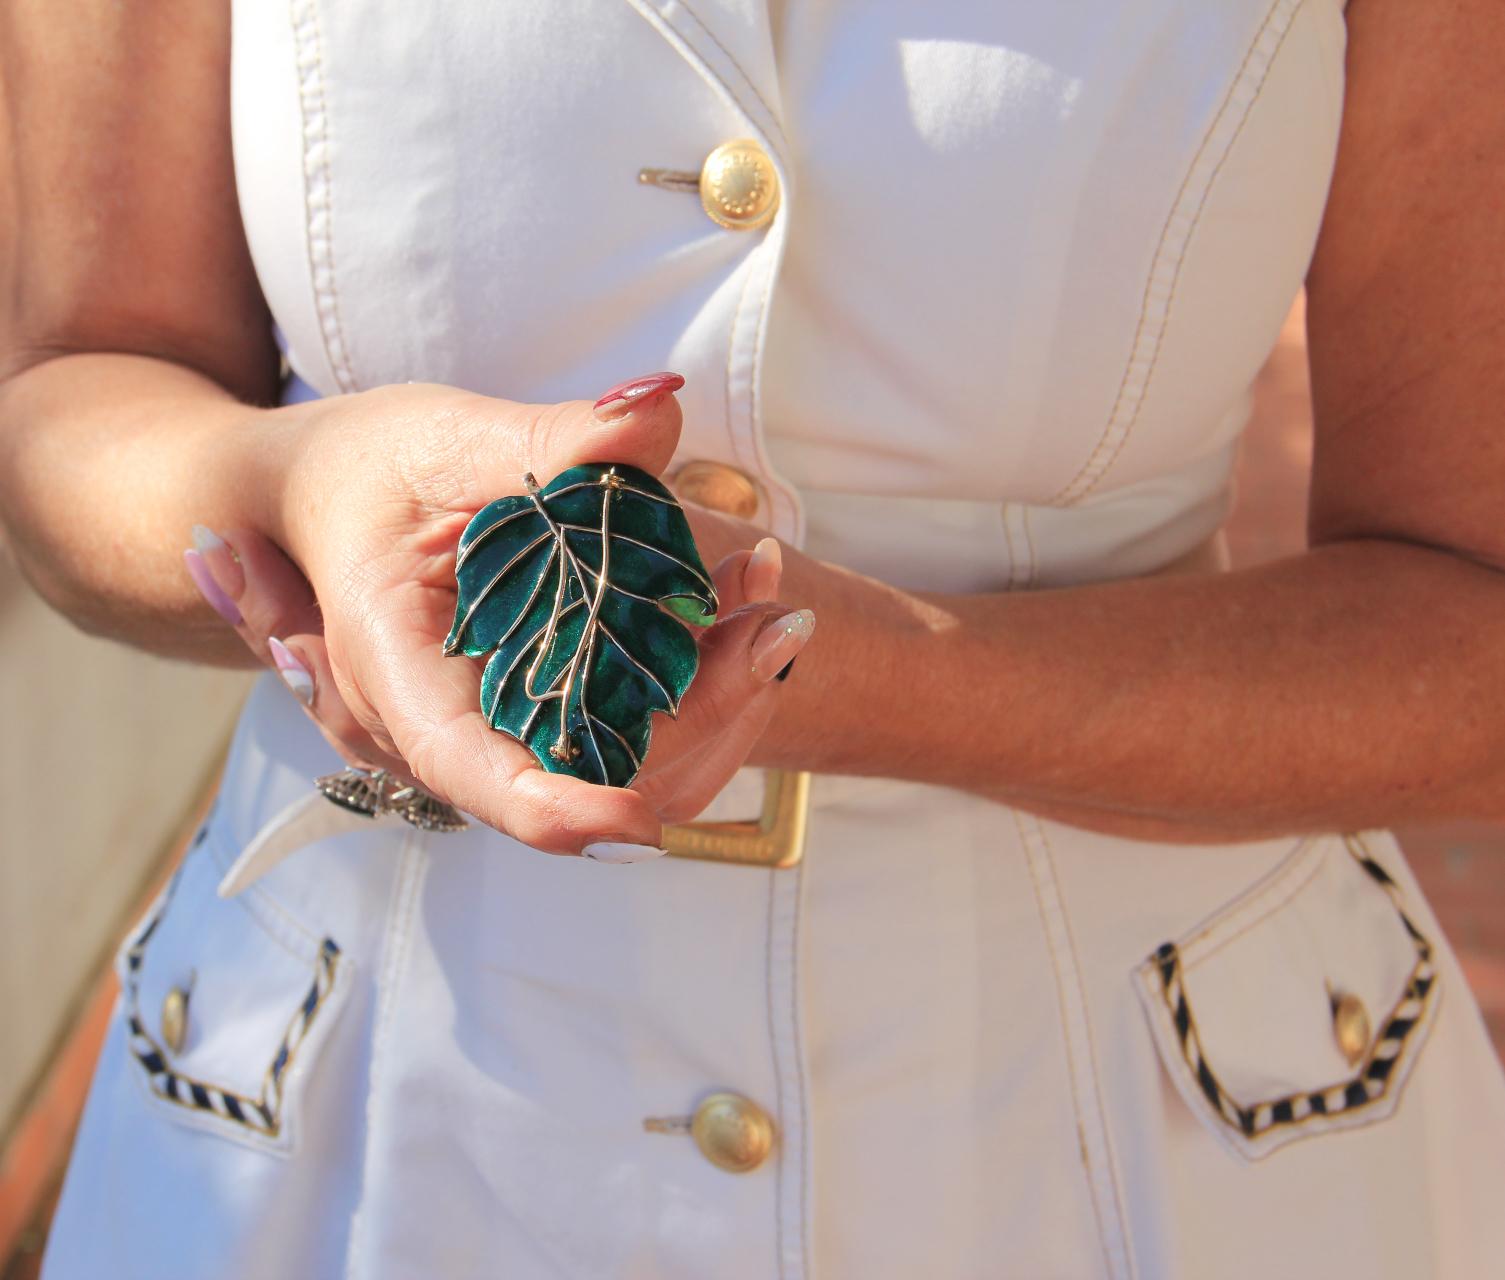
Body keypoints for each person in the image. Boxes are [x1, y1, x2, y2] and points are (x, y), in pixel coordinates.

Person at [5, 0, 1505, 1275]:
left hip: (1142, 1145)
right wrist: (294, 489)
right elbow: (82, 387)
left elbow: (1466, 621)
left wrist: (865, 679)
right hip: (365, 1134)